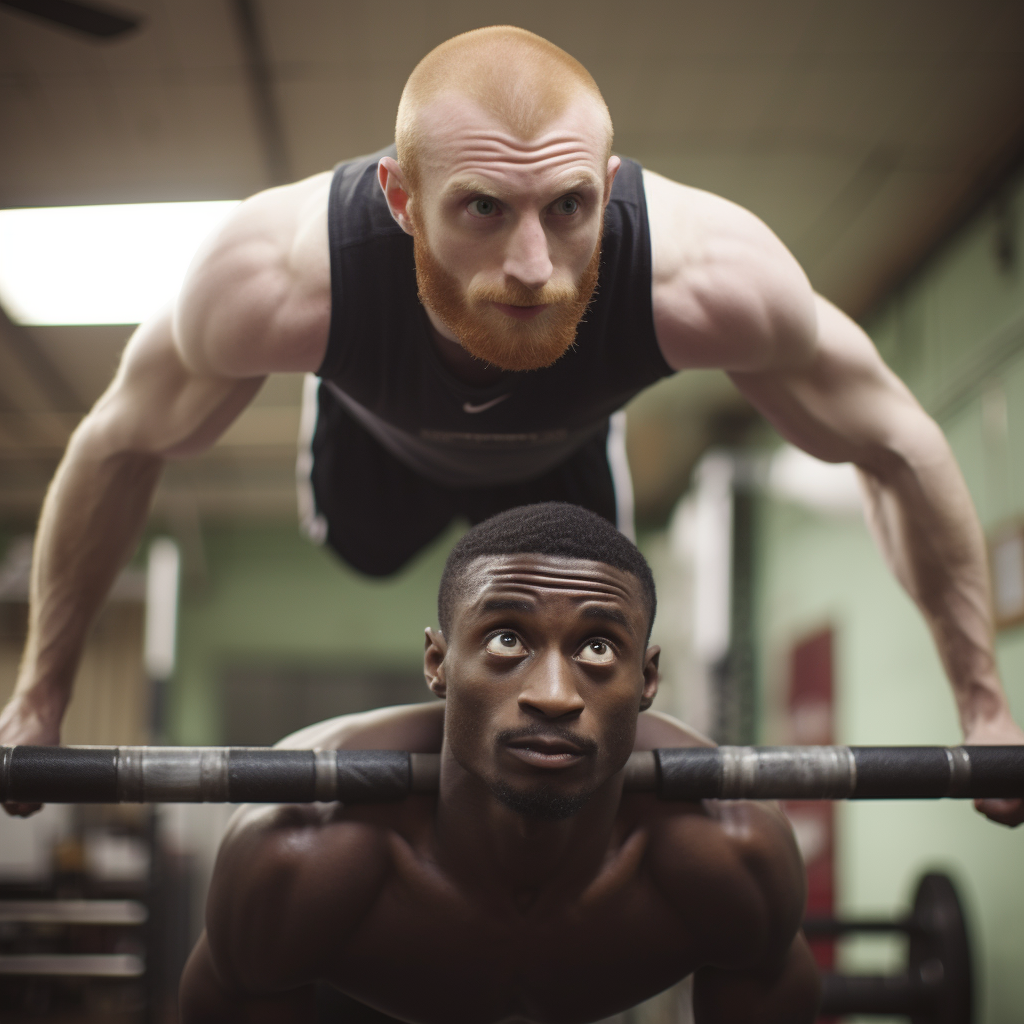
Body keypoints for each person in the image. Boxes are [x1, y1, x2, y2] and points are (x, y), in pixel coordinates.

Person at [1, 26, 1021, 826]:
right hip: (375, 458)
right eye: (484, 208)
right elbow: (116, 444)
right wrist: (38, 701)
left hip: (561, 465)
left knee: (577, 613)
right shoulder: (279, 278)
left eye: (569, 207)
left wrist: (983, 705)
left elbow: (895, 442)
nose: (535, 265)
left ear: (610, 186)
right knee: (365, 549)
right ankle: (345, 402)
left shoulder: (705, 274)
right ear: (401, 199)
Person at [179, 503, 820, 1024]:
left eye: (598, 647)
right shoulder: (303, 853)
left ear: (647, 677)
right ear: (438, 664)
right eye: (506, 639)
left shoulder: (729, 853)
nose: (553, 695)